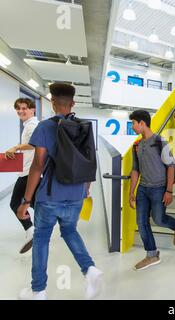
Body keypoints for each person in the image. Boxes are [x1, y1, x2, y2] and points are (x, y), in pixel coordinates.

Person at [17, 83, 103, 300]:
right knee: (70, 231)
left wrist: (26, 200)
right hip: (75, 195)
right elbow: (89, 162)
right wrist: (85, 191)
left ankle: (38, 291)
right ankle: (90, 269)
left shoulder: (45, 127)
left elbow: (37, 165)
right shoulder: (84, 127)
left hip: (50, 196)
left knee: (41, 237)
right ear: (73, 103)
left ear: (52, 102)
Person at [129, 110, 175, 271]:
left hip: (159, 188)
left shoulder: (160, 142)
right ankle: (152, 254)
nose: (132, 126)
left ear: (142, 123)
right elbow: (135, 170)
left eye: (133, 123)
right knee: (141, 222)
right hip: (143, 189)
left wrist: (169, 191)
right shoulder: (136, 145)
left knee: (159, 219)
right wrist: (131, 192)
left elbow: (171, 166)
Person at [4, 98, 39, 254]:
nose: (21, 111)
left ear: (32, 110)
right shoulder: (29, 124)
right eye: (18, 108)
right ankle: (40, 229)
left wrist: (16, 147)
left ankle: (31, 230)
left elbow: (34, 144)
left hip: (28, 173)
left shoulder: (32, 125)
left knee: (15, 204)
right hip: (30, 171)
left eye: (24, 108)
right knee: (35, 204)